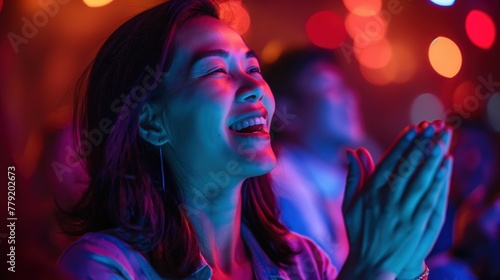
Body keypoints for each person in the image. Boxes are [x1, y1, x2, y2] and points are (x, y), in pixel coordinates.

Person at [56, 0, 453, 279]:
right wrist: (369, 268)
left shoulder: (303, 263)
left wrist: (404, 263)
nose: (254, 87)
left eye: (253, 66)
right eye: (215, 70)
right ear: (152, 122)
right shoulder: (103, 267)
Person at [264, 47, 380, 269]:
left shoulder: (344, 179)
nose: (350, 97)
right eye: (331, 88)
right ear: (287, 110)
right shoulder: (278, 184)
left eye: (344, 87)